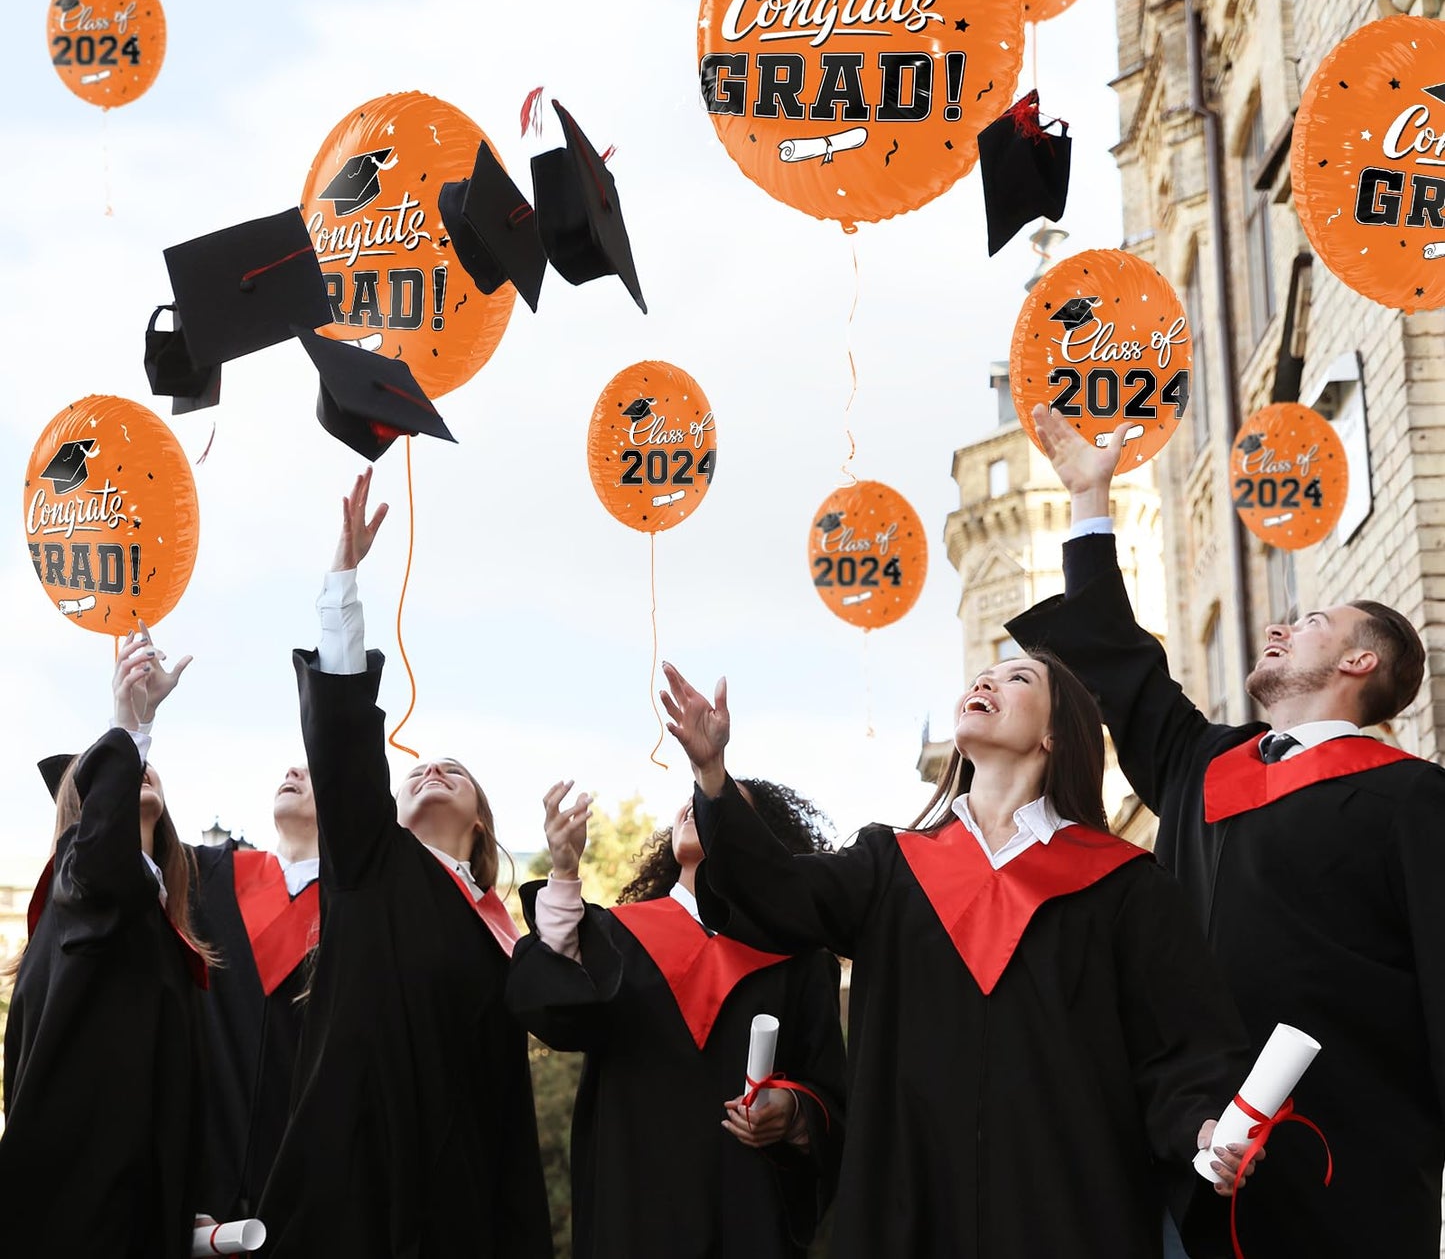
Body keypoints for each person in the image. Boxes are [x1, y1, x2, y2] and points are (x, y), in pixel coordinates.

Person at [1006, 403, 1445, 1258]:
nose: (1280, 627)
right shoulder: (1205, 764)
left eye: (1312, 623)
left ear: (1361, 663)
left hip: (1348, 1163)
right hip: (1191, 1150)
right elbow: (1123, 669)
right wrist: (1091, 499)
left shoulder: (1412, 799)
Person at [664, 655, 1255, 1259]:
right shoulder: (890, 867)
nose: (985, 682)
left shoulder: (1123, 886)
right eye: (982, 676)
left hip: (1066, 1209)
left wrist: (1202, 1126)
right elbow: (773, 889)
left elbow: (1181, 1049)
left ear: (1057, 733)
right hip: (909, 1203)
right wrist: (712, 775)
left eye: (1018, 678)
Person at [258, 468, 551, 1258]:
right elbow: (346, 740)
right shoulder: (371, 859)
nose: (430, 768)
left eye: (453, 768)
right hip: (361, 1181)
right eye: (419, 765)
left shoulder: (503, 932)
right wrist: (342, 584)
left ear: (483, 822)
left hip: (461, 1201)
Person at [507, 777, 846, 1258]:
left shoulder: (800, 962)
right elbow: (549, 1009)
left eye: (718, 806)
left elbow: (831, 1095)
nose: (696, 807)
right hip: (633, 1215)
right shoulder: (614, 937)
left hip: (748, 1217)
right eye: (691, 801)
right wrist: (564, 872)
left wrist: (792, 1113)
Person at [0, 626, 210, 1257]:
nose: (137, 772)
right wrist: (130, 725)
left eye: (144, 769)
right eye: (111, 778)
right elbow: (99, 865)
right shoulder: (77, 890)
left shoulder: (159, 926)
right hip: (73, 1216)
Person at [188, 760, 319, 1220]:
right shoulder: (205, 874)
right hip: (196, 1182)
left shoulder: (359, 907)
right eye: (292, 769)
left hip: (312, 1194)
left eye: (313, 770)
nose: (293, 771)